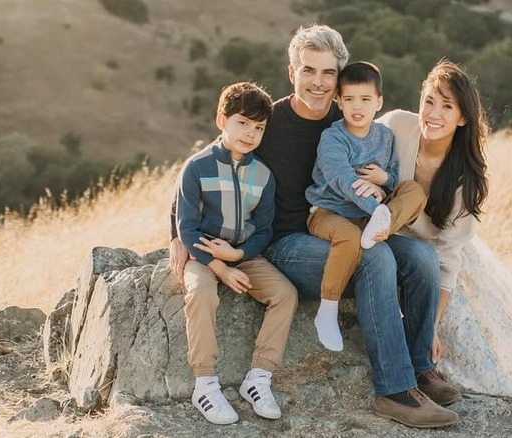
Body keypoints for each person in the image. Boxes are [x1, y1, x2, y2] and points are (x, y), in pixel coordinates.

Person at [170, 25, 460, 428]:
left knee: (422, 257)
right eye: (308, 70)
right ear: (293, 74)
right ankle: (394, 391)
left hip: (349, 228)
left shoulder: (351, 121)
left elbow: (417, 135)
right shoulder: (270, 120)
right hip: (285, 243)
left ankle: (418, 369)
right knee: (372, 259)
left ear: (340, 79)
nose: (318, 82)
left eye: (328, 73)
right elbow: (209, 157)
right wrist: (176, 231)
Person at [377, 60, 512, 403]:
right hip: (386, 236)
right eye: (429, 101)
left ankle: (424, 369)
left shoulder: (466, 178)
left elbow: (447, 256)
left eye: (447, 106)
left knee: (470, 336)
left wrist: (433, 325)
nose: (434, 113)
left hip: (438, 251)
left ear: (462, 118)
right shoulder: (395, 126)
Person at [175, 82, 298, 424]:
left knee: (285, 294)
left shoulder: (264, 175)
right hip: (203, 256)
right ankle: (205, 384)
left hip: (243, 255)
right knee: (201, 293)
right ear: (222, 120)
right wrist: (221, 266)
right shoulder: (196, 168)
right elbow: (187, 227)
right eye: (242, 122)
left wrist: (239, 254)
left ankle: (259, 378)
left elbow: (264, 229)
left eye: (259, 127)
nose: (250, 133)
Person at [305, 61, 426, 352]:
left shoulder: (385, 136)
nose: (357, 107)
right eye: (349, 99)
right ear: (339, 102)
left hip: (369, 216)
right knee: (347, 237)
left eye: (365, 99)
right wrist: (375, 204)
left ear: (379, 102)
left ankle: (382, 225)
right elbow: (341, 179)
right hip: (328, 213)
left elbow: (394, 176)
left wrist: (383, 181)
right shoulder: (332, 137)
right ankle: (328, 310)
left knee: (414, 191)